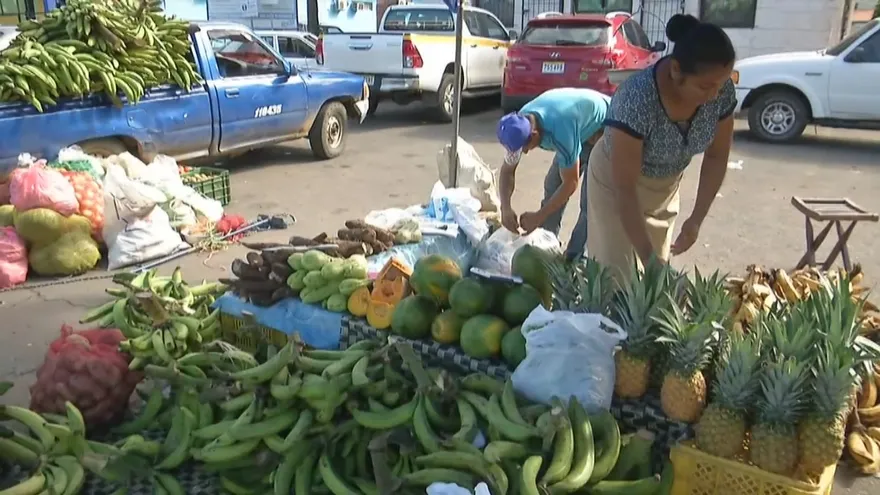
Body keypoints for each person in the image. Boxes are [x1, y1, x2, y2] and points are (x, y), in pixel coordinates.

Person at [585, 14, 737, 283]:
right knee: (617, 278)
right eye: (705, 86)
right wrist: (649, 259)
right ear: (676, 70)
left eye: (721, 83)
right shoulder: (637, 99)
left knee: (653, 280)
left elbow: (717, 155)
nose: (715, 94)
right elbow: (625, 189)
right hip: (616, 186)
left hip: (664, 188)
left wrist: (696, 219)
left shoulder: (719, 92)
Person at [496, 88, 610, 260]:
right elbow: (507, 171)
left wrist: (539, 217)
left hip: (605, 127)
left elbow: (570, 184)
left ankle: (574, 258)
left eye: (525, 148)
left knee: (590, 202)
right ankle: (547, 247)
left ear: (534, 135)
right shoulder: (519, 124)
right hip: (577, 127)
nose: (525, 153)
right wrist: (505, 207)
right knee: (552, 186)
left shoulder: (561, 131)